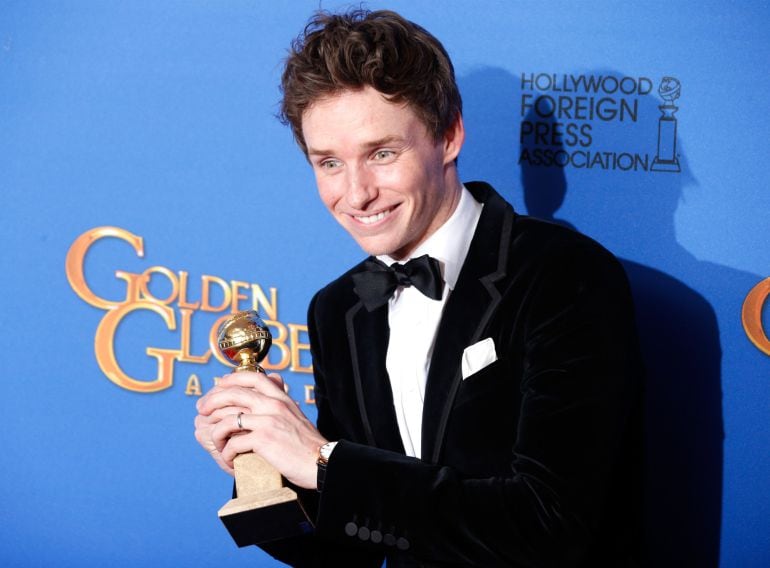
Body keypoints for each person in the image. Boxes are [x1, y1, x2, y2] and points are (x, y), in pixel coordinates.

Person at [195, 9, 643, 567]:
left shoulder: (563, 275)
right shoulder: (339, 308)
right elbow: (346, 552)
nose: (355, 193)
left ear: (449, 135)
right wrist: (262, 472)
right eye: (329, 163)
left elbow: (550, 524)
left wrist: (323, 461)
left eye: (381, 154)